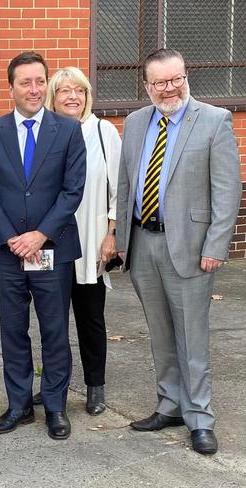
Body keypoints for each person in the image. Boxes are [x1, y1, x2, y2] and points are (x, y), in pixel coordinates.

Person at [116, 48, 240, 455]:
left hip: (189, 247)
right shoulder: (134, 123)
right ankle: (169, 404)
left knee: (192, 335)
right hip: (143, 243)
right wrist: (121, 243)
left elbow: (227, 191)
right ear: (147, 86)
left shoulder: (213, 119)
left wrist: (215, 246)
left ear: (185, 76)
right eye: (161, 82)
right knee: (161, 332)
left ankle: (200, 417)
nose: (170, 88)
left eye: (177, 79)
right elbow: (126, 185)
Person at [0, 51, 86, 439]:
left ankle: (55, 405)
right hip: (8, 254)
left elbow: (73, 191)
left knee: (54, 330)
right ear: (12, 88)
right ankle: (19, 405)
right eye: (26, 82)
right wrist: (11, 238)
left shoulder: (68, 130)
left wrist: (40, 235)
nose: (34, 89)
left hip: (52, 250)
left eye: (40, 81)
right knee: (13, 331)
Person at [33, 67, 121, 415]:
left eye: (79, 90)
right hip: (50, 242)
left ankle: (94, 386)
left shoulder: (103, 132)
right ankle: (53, 384)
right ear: (53, 97)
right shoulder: (43, 133)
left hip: (91, 240)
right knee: (50, 319)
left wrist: (111, 235)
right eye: (64, 91)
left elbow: (118, 189)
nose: (73, 97)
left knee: (90, 317)